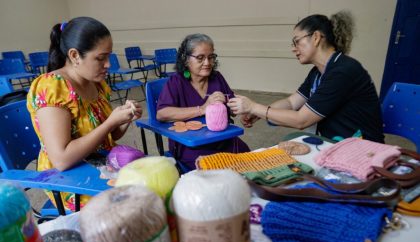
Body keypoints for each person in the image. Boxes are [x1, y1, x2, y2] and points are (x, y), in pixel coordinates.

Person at [27, 17, 142, 211]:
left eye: (109, 56)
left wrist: (123, 120)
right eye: (100, 58)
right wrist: (109, 123)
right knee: (127, 209)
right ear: (74, 55)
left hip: (99, 161)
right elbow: (62, 160)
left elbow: (110, 136)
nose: (108, 65)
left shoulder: (95, 82)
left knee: (149, 187)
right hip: (67, 178)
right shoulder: (53, 87)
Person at [227, 11, 384, 143]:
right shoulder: (318, 72)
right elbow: (291, 102)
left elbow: (301, 120)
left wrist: (254, 107)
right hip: (336, 146)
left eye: (297, 42)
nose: (293, 49)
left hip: (364, 151)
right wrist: (259, 113)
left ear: (316, 37)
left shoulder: (343, 71)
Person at [156, 33, 250, 170]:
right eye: (200, 58)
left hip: (224, 141)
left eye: (211, 57)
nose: (207, 63)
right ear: (186, 59)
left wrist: (240, 109)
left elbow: (232, 105)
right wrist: (202, 108)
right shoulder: (176, 82)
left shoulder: (217, 78)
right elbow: (162, 114)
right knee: (213, 171)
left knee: (249, 159)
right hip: (192, 147)